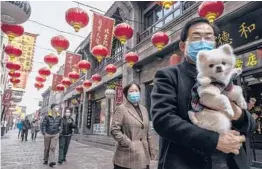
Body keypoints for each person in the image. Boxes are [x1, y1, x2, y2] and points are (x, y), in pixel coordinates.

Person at [150, 17, 256, 169]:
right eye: (196, 37)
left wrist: (238, 113)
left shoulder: (226, 76)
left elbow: (249, 124)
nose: (203, 42)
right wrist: (214, 141)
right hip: (186, 162)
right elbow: (163, 120)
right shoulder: (169, 75)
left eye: (208, 37)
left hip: (234, 162)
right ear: (183, 45)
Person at [110, 83, 156, 169]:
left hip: (143, 154)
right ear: (126, 94)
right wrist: (128, 143)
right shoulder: (121, 109)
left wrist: (151, 150)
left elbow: (147, 132)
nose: (134, 93)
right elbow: (114, 130)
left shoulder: (144, 109)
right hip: (127, 155)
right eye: (131, 91)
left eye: (136, 91)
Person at [41, 103, 63, 167]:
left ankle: (51, 161)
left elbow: (61, 126)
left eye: (58, 107)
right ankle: (45, 159)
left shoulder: (59, 117)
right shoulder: (47, 116)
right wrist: (44, 133)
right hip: (47, 134)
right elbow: (43, 125)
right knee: (46, 148)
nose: (57, 108)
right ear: (52, 108)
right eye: (56, 107)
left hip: (55, 134)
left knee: (52, 148)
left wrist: (59, 133)